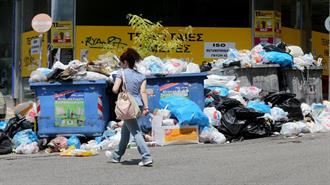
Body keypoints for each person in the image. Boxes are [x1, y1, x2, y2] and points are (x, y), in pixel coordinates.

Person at [105, 48, 153, 166]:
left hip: (128, 106)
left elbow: (115, 90)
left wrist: (117, 84)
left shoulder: (121, 73)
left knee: (136, 131)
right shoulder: (141, 76)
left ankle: (146, 156)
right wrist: (146, 107)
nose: (121, 65)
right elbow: (143, 92)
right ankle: (116, 156)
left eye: (121, 62)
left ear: (125, 62)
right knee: (125, 132)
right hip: (139, 106)